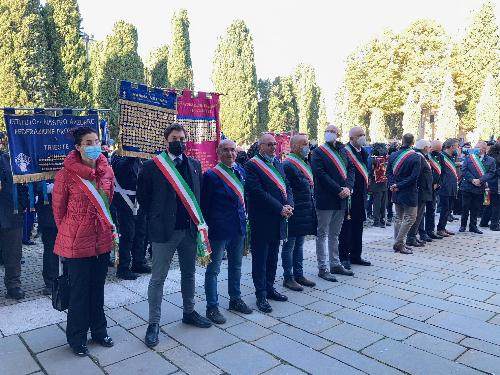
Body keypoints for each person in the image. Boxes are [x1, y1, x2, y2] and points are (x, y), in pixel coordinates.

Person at [137, 123, 212, 348]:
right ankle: (153, 324)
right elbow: (144, 199)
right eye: (174, 138)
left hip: (189, 231)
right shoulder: (152, 166)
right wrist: (158, 219)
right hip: (164, 232)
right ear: (165, 141)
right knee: (158, 278)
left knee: (189, 274)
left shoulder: (195, 165)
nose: (179, 141)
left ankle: (189, 312)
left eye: (182, 138)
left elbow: (198, 198)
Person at [52, 126, 115, 356]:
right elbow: (58, 212)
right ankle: (77, 337)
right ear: (78, 147)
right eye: (88, 143)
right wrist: (72, 233)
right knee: (79, 292)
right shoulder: (65, 175)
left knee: (97, 290)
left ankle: (99, 330)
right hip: (77, 242)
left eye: (96, 141)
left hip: (102, 241)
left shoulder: (107, 171)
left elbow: (109, 201)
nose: (94, 146)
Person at [201, 139, 252, 324]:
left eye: (232, 150)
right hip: (219, 229)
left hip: (238, 227)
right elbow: (204, 205)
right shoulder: (211, 176)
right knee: (213, 270)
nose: (230, 154)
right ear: (218, 152)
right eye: (225, 150)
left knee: (236, 266)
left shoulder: (240, 171)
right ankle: (212, 307)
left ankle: (235, 299)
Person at [245, 133, 293, 313]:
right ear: (260, 147)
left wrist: (289, 205)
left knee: (273, 256)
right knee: (260, 259)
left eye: (275, 144)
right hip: (262, 219)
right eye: (269, 145)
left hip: (279, 219)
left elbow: (287, 186)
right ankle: (261, 295)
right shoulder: (252, 165)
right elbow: (257, 192)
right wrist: (279, 207)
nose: (274, 147)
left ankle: (270, 288)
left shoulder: (278, 163)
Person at [311, 125, 355, 282]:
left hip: (342, 197)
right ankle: (323, 267)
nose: (329, 133)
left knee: (335, 234)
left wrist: (348, 187)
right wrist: (339, 189)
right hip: (326, 198)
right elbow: (320, 174)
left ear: (338, 134)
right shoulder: (318, 152)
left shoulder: (343, 150)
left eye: (333, 131)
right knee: (322, 234)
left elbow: (351, 169)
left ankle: (335, 263)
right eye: (327, 131)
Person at [282, 134, 317, 290]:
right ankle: (288, 277)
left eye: (307, 144)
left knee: (300, 245)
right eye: (304, 144)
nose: (307, 147)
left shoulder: (305, 162)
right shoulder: (288, 165)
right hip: (294, 210)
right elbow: (287, 189)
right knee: (290, 245)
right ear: (294, 146)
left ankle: (299, 274)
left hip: (305, 210)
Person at [111, 155, 151, 280]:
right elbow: (121, 171)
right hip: (124, 201)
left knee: (141, 233)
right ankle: (123, 268)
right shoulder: (118, 156)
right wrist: (131, 156)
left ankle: (138, 262)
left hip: (139, 200)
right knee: (127, 235)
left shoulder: (143, 158)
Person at [338, 127, 371, 269]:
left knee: (358, 226)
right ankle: (344, 257)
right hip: (349, 194)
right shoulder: (345, 151)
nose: (363, 137)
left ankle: (356, 255)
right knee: (346, 227)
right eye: (360, 135)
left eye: (363, 134)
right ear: (351, 138)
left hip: (361, 195)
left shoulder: (364, 152)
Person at [0, 132, 27, 300]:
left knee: (13, 255)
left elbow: (23, 181)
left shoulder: (10, 160)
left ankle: (13, 285)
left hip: (11, 214)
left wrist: (22, 204)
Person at [386, 133, 421, 254]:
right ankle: (399, 243)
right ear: (413, 142)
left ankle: (399, 242)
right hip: (409, 191)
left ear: (402, 140)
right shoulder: (415, 157)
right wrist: (398, 185)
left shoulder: (393, 155)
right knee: (410, 217)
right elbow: (414, 177)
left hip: (396, 190)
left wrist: (393, 185)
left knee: (398, 217)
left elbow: (388, 173)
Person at [459, 141, 496, 234]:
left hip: (480, 187)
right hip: (467, 186)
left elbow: (491, 173)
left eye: (477, 147)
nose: (475, 149)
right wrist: (472, 180)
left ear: (483, 149)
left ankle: (473, 226)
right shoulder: (469, 157)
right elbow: (464, 170)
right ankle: (462, 225)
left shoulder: (491, 160)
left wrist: (480, 180)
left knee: (475, 208)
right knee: (465, 207)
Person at [406, 139, 432, 247]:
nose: (430, 149)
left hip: (423, 190)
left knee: (419, 215)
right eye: (429, 147)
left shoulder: (421, 156)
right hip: (420, 191)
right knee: (416, 215)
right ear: (425, 147)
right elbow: (417, 175)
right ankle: (411, 237)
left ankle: (413, 236)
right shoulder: (419, 157)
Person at [35, 180, 58, 295]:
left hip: (70, 210)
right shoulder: (39, 161)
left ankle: (72, 277)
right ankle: (51, 282)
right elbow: (37, 185)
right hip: (48, 211)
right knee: (50, 248)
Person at [419, 140, 444, 241]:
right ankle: (421, 232)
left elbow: (443, 172)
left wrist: (438, 183)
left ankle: (430, 231)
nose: (436, 152)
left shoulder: (440, 156)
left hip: (434, 188)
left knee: (431, 210)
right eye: (434, 149)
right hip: (424, 188)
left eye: (438, 150)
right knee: (421, 212)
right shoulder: (422, 157)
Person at [436, 138, 460, 237]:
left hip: (451, 187)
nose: (458, 149)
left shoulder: (451, 157)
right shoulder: (441, 156)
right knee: (444, 209)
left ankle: (443, 227)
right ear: (451, 147)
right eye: (457, 146)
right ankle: (440, 229)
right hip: (445, 187)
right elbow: (439, 172)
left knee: (448, 209)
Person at [369, 143, 389, 228]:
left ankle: (382, 219)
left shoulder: (385, 159)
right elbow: (370, 171)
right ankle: (376, 220)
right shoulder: (373, 159)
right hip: (376, 184)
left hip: (384, 183)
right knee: (377, 203)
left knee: (384, 203)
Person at [484, 143, 500, 231]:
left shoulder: (489, 157)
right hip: (496, 184)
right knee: (496, 205)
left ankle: (484, 222)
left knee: (489, 204)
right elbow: (497, 172)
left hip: (488, 183)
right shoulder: (497, 159)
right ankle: (494, 224)